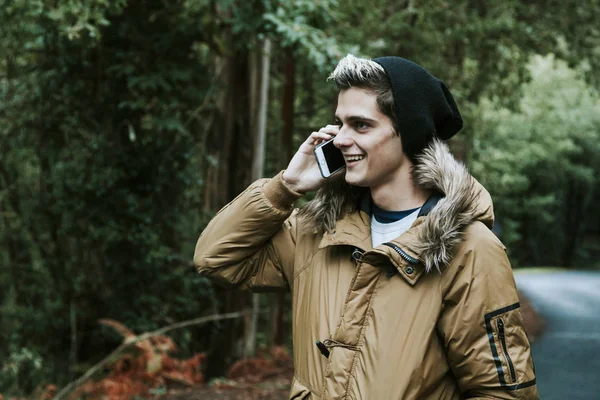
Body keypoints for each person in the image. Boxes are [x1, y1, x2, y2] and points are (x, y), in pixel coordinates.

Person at [194, 54, 539, 399]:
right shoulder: (317, 230)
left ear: (410, 134)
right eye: (340, 123)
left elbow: (501, 393)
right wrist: (286, 186)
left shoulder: (469, 248)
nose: (340, 139)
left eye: (360, 125)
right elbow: (216, 260)